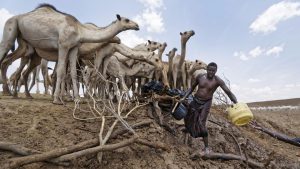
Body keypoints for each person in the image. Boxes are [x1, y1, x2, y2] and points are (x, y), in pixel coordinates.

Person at [180, 62, 238, 154]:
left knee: (201, 124)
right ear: (207, 69)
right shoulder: (200, 76)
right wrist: (184, 97)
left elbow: (228, 92)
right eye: (209, 70)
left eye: (213, 71)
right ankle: (188, 129)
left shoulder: (218, 80)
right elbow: (191, 88)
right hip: (196, 100)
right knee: (187, 116)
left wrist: (236, 103)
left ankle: (207, 147)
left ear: (216, 71)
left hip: (206, 103)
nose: (211, 72)